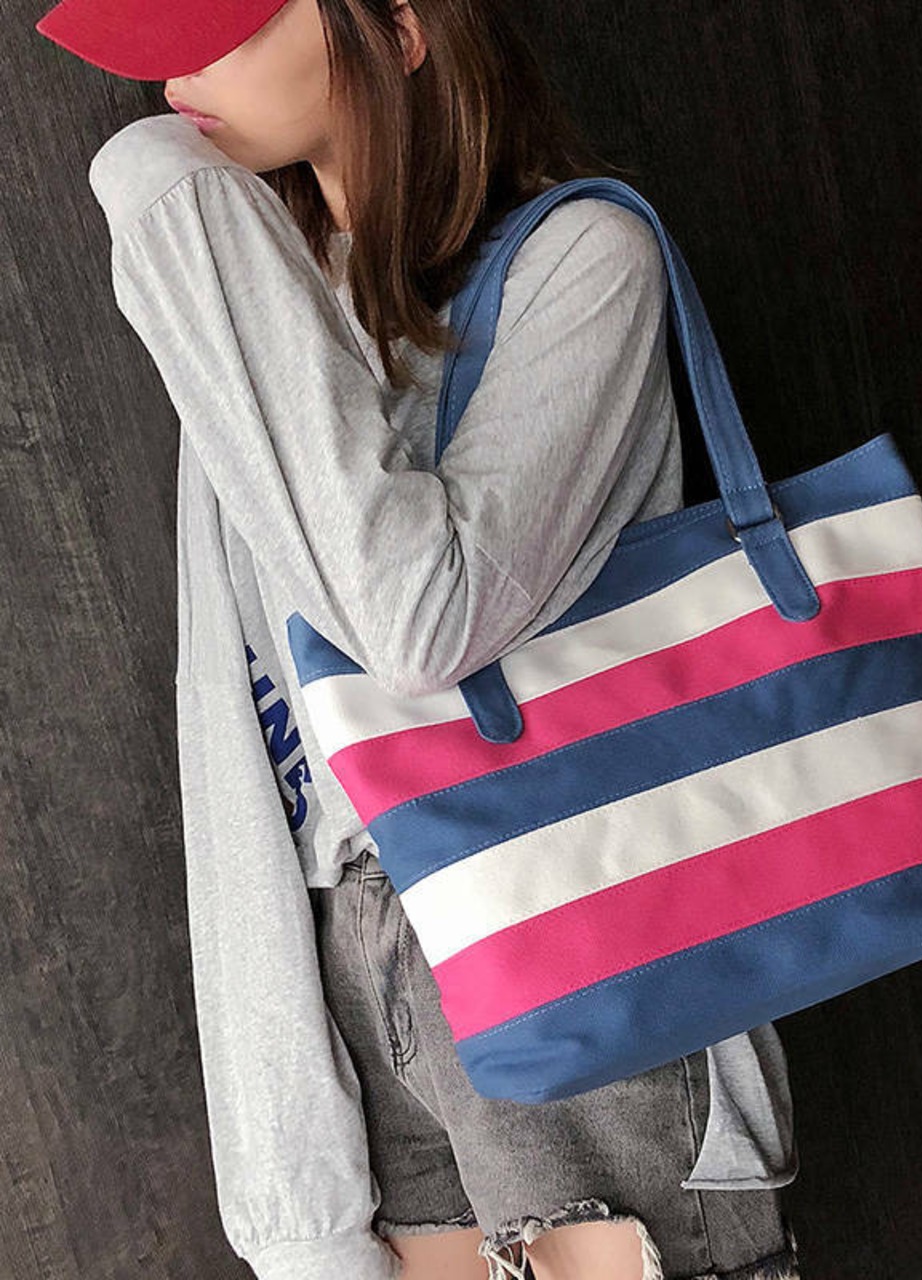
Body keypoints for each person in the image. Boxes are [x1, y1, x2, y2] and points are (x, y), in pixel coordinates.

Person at [34, 0, 802, 1277]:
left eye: (224, 24)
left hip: (551, 899)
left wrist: (166, 193)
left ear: (396, 28)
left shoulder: (578, 257)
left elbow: (418, 621)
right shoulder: (263, 300)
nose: (174, 83)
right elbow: (240, 695)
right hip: (355, 931)